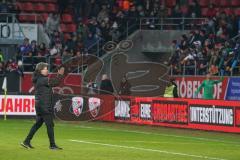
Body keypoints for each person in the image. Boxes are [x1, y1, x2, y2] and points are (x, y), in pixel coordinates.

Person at [21, 62, 65, 150]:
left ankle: (26, 141)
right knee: (50, 125)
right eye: (45, 68)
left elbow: (52, 83)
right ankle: (52, 145)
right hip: (44, 106)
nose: (47, 70)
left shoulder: (39, 79)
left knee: (38, 124)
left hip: (40, 105)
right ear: (40, 70)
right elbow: (55, 82)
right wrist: (60, 75)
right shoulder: (43, 79)